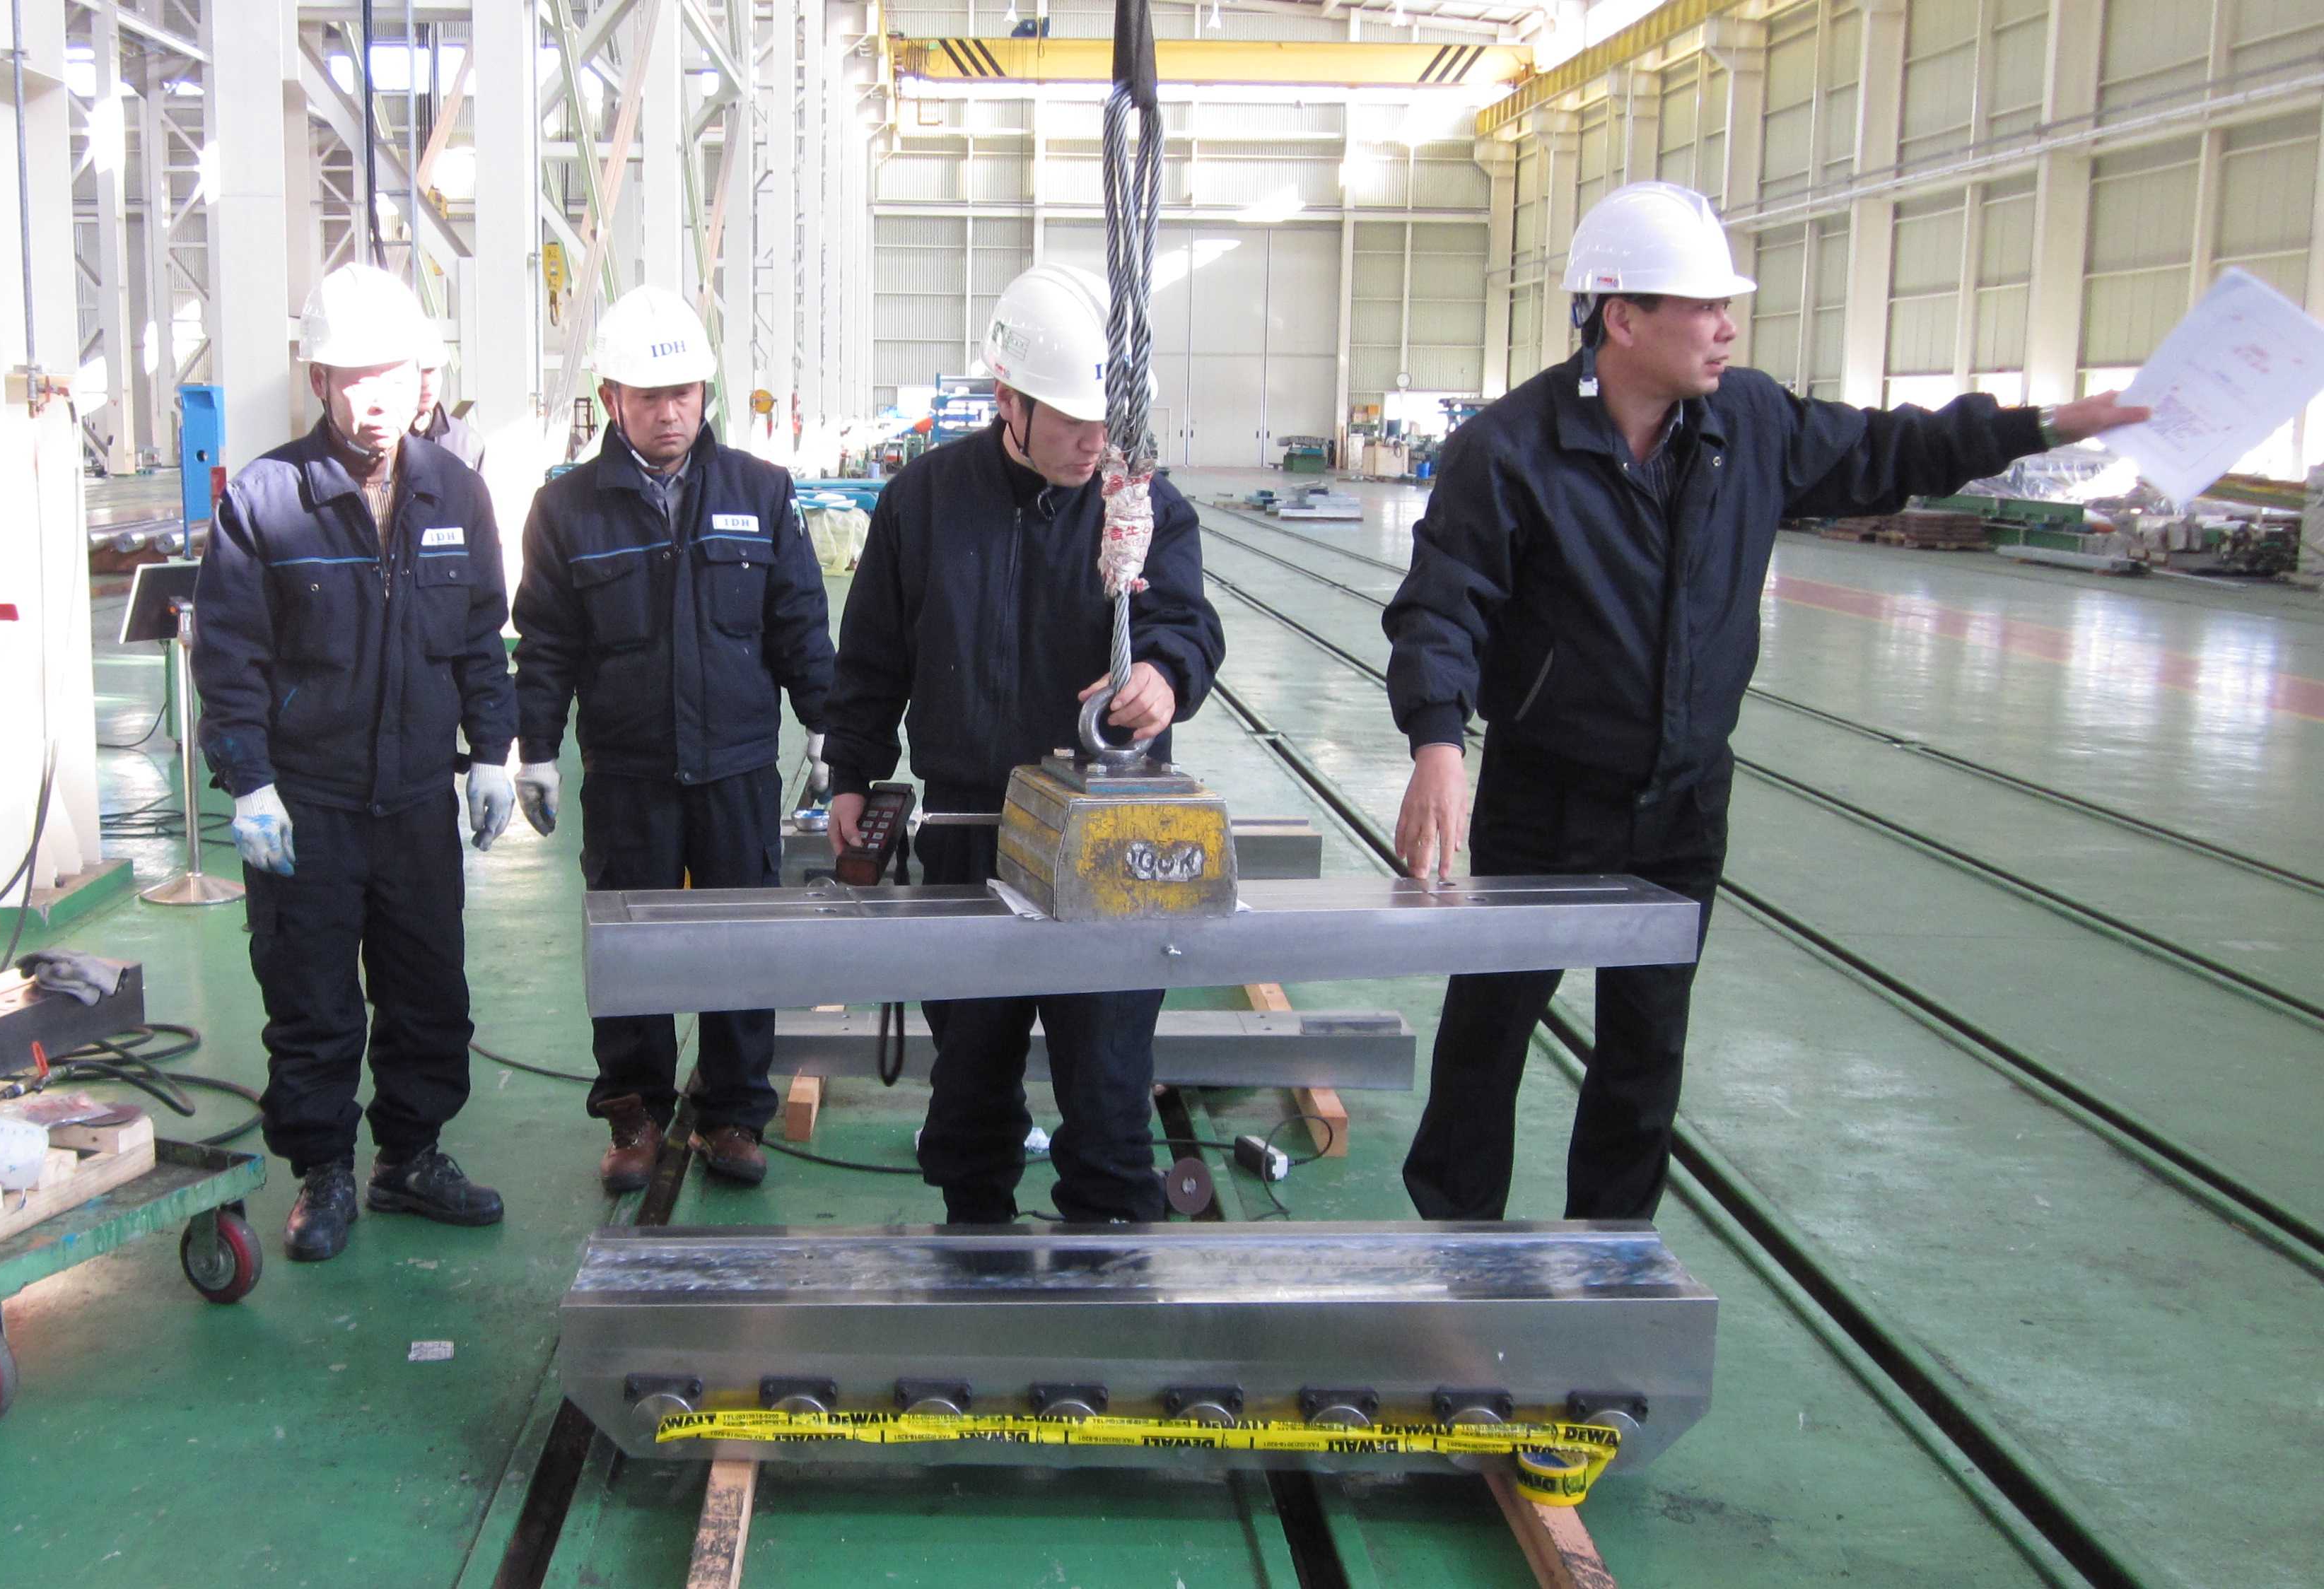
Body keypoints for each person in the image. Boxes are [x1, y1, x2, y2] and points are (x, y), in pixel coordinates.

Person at [1383, 181, 2149, 1222]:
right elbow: (1442, 604)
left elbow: (1892, 450)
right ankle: (1452, 1242)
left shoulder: (1748, 423)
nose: (1727, 327)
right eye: (1705, 306)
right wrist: (1438, 743)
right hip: (1546, 801)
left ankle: (1615, 1255)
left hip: (1684, 804)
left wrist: (2048, 423)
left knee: (1646, 1050)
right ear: (1623, 317)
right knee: (1491, 1032)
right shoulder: (1512, 450)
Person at [819, 264, 1225, 1225]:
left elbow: (1186, 622)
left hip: (1111, 833)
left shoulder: (1141, 506)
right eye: (1074, 421)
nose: (1096, 442)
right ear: (1008, 399)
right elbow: (873, 654)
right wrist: (852, 772)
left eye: (1109, 421)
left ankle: (1109, 1249)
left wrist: (1163, 675)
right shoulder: (924, 502)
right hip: (972, 830)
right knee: (969, 1078)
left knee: (1111, 1089)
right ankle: (975, 1243)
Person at [194, 263, 520, 1262]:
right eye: (354, 376)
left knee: (430, 991)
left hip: (416, 798)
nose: (376, 396)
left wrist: (492, 753)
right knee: (312, 997)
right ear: (319, 381)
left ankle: (409, 1157)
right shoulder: (265, 500)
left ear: (425, 378)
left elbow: (480, 638)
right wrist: (249, 780)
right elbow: (230, 657)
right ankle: (324, 1171)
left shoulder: (456, 491)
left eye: (395, 373)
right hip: (308, 804)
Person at [512, 284, 836, 1193]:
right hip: (628, 771)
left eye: (683, 393)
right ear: (610, 399)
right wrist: (534, 749)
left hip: (736, 766)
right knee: (631, 949)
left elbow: (799, 621)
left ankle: (732, 1112)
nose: (669, 413)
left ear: (705, 393)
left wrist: (829, 725)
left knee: (743, 942)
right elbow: (546, 642)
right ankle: (636, 1114)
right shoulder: (566, 510)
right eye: (649, 397)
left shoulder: (760, 492)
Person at [409, 315, 484, 471]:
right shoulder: (376, 441)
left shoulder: (466, 443)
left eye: (431, 370)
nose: (425, 382)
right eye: (417, 372)